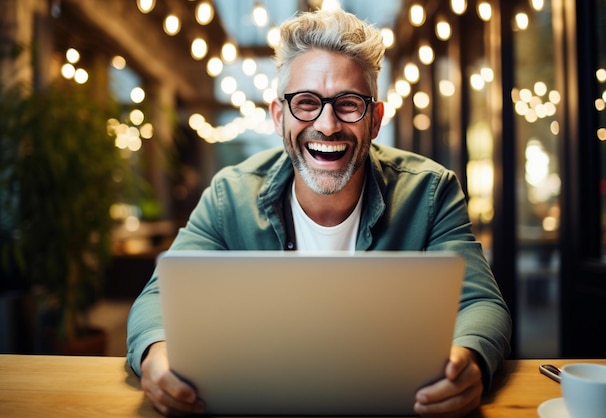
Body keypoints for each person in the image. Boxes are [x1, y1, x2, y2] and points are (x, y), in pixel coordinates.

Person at [127, 8, 512, 418]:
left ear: (375, 119)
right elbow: (156, 300)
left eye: (348, 104)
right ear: (279, 117)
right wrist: (156, 357)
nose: (327, 125)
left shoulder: (431, 192)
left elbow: (483, 305)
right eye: (306, 102)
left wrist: (467, 362)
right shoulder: (229, 195)